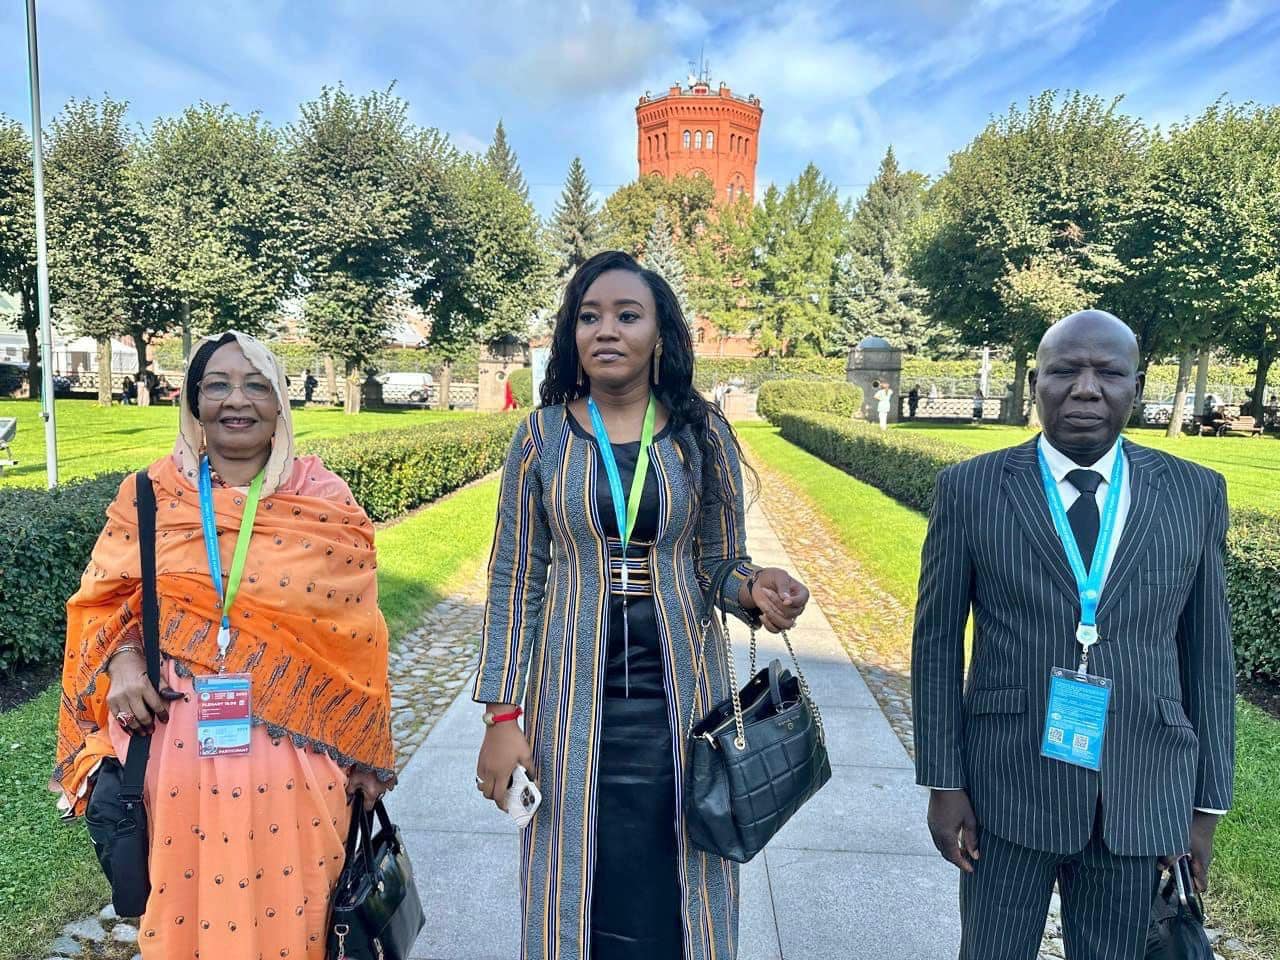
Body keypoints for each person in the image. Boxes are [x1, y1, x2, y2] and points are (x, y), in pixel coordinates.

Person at [473, 251, 810, 960]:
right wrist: (503, 716)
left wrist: (755, 589)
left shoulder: (699, 432)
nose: (607, 330)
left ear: (660, 334)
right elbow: (514, 577)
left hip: (684, 707)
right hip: (572, 710)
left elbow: (719, 561)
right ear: (572, 335)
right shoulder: (541, 437)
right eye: (589, 316)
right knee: (576, 888)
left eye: (628, 315)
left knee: (680, 890)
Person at [53, 331, 396, 958]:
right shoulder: (150, 495)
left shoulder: (324, 501)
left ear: (281, 402)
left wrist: (366, 750)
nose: (236, 401)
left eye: (255, 385)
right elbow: (101, 604)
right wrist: (124, 660)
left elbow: (360, 638)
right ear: (192, 400)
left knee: (301, 917)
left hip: (298, 760)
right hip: (175, 749)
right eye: (217, 385)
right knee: (183, 917)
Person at [912, 310, 1234, 960]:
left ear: (1136, 387)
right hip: (1006, 791)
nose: (1086, 388)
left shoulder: (1194, 494)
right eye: (1065, 371)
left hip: (1140, 791)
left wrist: (1204, 808)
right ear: (1036, 382)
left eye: (1108, 373)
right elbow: (938, 644)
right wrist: (944, 784)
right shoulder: (971, 489)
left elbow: (1209, 658)